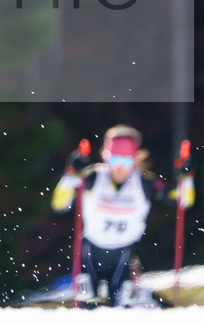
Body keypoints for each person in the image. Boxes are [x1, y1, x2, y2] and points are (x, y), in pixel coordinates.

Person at [51, 125, 195, 307]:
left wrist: (186, 177)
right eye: (114, 161)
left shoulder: (144, 181)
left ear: (135, 160)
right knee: (86, 307)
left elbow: (183, 201)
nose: (119, 168)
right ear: (105, 156)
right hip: (90, 254)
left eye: (126, 162)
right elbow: (60, 204)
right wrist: (71, 174)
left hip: (123, 257)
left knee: (125, 309)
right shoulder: (93, 177)